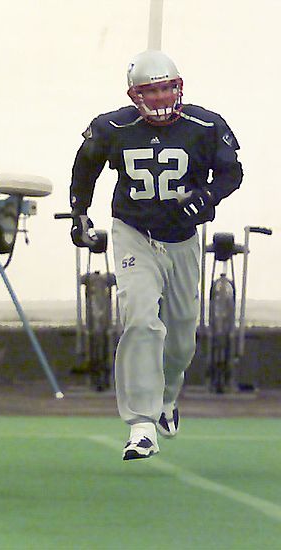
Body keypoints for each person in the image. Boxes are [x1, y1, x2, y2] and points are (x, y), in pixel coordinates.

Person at [68, 50, 242, 460]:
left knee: (181, 337)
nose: (161, 97)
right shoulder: (112, 126)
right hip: (134, 232)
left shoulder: (204, 124)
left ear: (179, 87)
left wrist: (208, 196)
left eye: (166, 88)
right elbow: (85, 166)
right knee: (141, 318)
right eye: (151, 90)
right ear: (134, 95)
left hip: (182, 238)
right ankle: (142, 424)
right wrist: (79, 212)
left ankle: (168, 394)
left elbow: (232, 172)